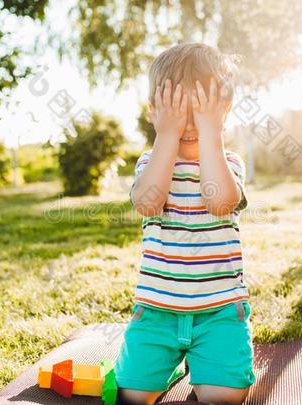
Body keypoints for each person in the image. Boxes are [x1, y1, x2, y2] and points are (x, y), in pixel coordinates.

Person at [114, 43, 255, 405]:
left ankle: (204, 366)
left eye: (201, 112)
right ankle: (176, 364)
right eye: (178, 112)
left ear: (223, 112)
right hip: (157, 312)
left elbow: (220, 200)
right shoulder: (150, 161)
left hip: (219, 311)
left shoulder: (230, 163)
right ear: (154, 112)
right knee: (132, 396)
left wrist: (212, 134)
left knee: (224, 397)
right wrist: (167, 135)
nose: (189, 124)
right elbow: (147, 202)